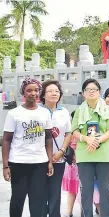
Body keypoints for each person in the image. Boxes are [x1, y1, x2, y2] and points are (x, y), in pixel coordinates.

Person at [2, 78, 53, 217]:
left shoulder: (45, 113)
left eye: (36, 90)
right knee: (18, 199)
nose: (33, 93)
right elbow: (6, 140)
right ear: (23, 92)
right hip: (18, 162)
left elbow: (48, 137)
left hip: (39, 162)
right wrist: (5, 166)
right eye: (29, 90)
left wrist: (49, 161)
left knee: (38, 200)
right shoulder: (14, 113)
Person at [71, 79, 109, 217]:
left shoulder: (108, 110)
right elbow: (74, 131)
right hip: (85, 153)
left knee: (105, 189)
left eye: (94, 89)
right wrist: (87, 139)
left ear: (99, 92)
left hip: (104, 154)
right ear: (83, 93)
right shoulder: (79, 111)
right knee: (86, 190)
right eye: (88, 89)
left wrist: (96, 141)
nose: (91, 92)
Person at [40, 80, 73, 217]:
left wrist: (61, 151)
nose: (54, 93)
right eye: (50, 91)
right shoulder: (38, 111)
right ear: (43, 94)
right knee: (40, 191)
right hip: (40, 159)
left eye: (57, 91)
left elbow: (68, 133)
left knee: (55, 192)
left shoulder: (64, 111)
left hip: (58, 158)